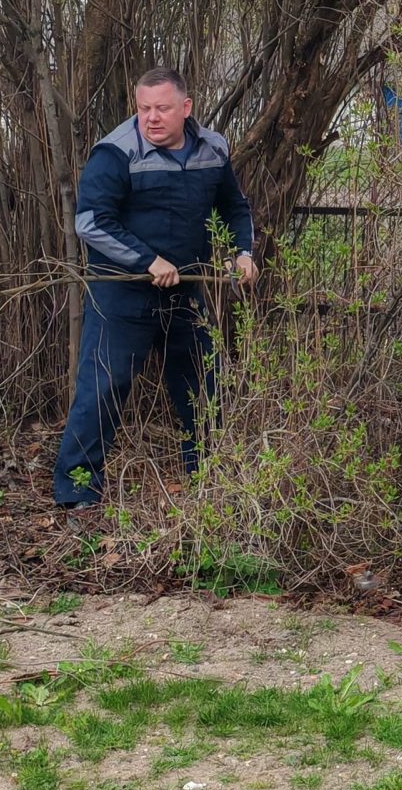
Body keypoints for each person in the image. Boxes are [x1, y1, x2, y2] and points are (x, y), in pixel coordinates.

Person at [52, 66, 257, 507]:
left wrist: (241, 252)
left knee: (204, 386)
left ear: (186, 108)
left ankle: (210, 483)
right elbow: (91, 222)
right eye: (144, 108)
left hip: (185, 293)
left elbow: (234, 207)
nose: (152, 118)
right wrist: (147, 260)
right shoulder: (115, 152)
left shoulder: (213, 149)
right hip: (121, 292)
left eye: (162, 108)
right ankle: (78, 492)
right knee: (103, 387)